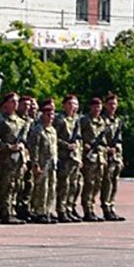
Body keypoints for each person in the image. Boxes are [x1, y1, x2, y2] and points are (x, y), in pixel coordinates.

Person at [0, 91, 26, 224]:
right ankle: (4, 212)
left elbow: (24, 138)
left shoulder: (20, 121)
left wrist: (21, 145)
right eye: (12, 101)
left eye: (17, 101)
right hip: (6, 158)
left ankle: (12, 210)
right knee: (6, 185)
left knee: (16, 185)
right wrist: (8, 147)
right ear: (5, 104)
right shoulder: (1, 120)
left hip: (18, 158)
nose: (15, 104)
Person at [53, 94, 84, 222]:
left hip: (75, 157)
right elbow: (54, 137)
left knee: (75, 184)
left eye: (75, 104)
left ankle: (70, 208)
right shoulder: (60, 120)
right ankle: (61, 210)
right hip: (64, 156)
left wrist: (80, 156)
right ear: (64, 105)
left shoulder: (76, 120)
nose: (73, 107)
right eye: (70, 104)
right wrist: (66, 145)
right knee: (64, 185)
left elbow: (80, 140)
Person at [27, 98, 58, 224]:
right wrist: (35, 164)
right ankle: (40, 211)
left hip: (52, 163)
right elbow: (34, 147)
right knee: (41, 188)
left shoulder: (53, 130)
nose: (51, 117)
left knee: (52, 187)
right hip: (41, 162)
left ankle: (48, 210)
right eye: (48, 115)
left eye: (52, 115)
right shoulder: (38, 130)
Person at [79, 96, 107, 221]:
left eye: (99, 106)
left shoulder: (102, 122)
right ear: (90, 107)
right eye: (95, 106)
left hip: (99, 156)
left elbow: (105, 141)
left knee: (97, 184)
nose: (97, 109)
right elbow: (78, 135)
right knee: (88, 184)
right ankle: (87, 209)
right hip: (89, 156)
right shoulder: (85, 120)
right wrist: (84, 145)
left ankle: (92, 207)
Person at [100, 92, 126, 221]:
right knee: (107, 182)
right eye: (110, 104)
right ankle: (106, 207)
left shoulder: (117, 121)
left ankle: (111, 205)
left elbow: (119, 141)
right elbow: (99, 139)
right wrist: (107, 149)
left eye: (114, 104)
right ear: (105, 105)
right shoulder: (102, 120)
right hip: (105, 155)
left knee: (114, 182)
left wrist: (120, 157)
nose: (112, 106)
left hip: (116, 156)